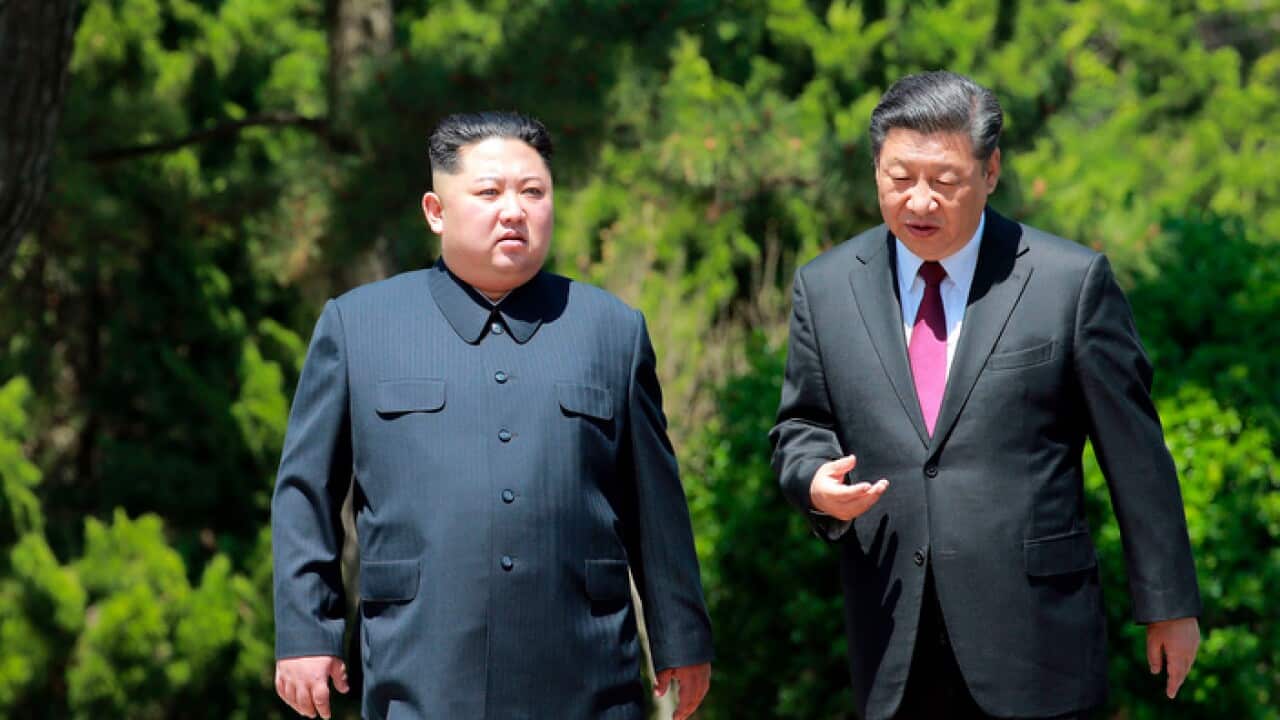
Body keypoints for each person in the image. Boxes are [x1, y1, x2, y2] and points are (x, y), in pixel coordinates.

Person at [770, 71, 1201, 720]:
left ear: (990, 170)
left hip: (1037, 643)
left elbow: (1135, 456)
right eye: (898, 178)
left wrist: (1169, 604)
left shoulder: (1068, 282)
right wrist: (813, 481)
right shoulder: (826, 287)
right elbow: (802, 422)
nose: (919, 202)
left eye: (944, 181)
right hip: (892, 633)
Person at [272, 111, 713, 720]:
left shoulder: (611, 330)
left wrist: (681, 636)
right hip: (421, 663)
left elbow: (655, 503)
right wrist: (305, 633)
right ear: (435, 210)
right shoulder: (360, 326)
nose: (514, 210)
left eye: (533, 192)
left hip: (584, 668)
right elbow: (305, 491)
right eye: (489, 192)